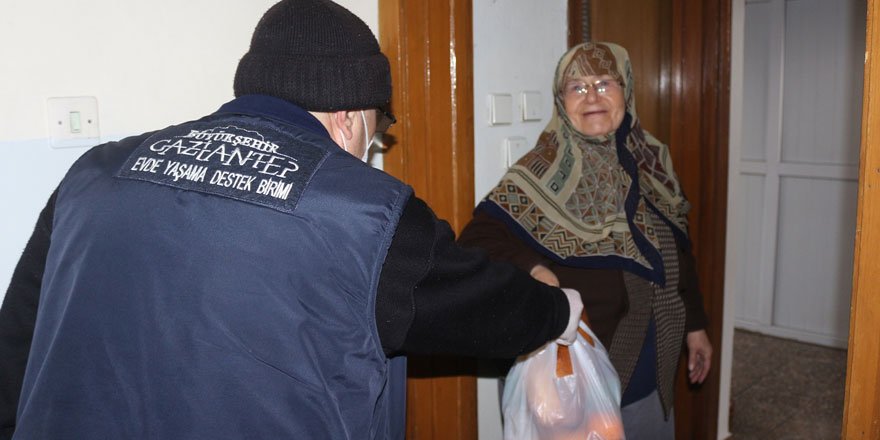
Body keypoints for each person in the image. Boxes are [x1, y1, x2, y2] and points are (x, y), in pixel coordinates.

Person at [0, 1, 585, 439]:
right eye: (377, 134)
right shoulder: (367, 213)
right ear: (350, 117)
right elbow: (483, 306)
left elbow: (18, 338)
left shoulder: (98, 171)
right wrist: (560, 310)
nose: (371, 152)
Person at [458, 42, 712, 439]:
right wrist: (536, 267)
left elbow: (679, 248)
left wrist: (695, 326)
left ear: (626, 90)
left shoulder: (652, 161)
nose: (591, 96)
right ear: (562, 102)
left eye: (604, 82)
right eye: (576, 87)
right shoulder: (539, 172)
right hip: (574, 386)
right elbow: (477, 240)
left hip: (652, 373)